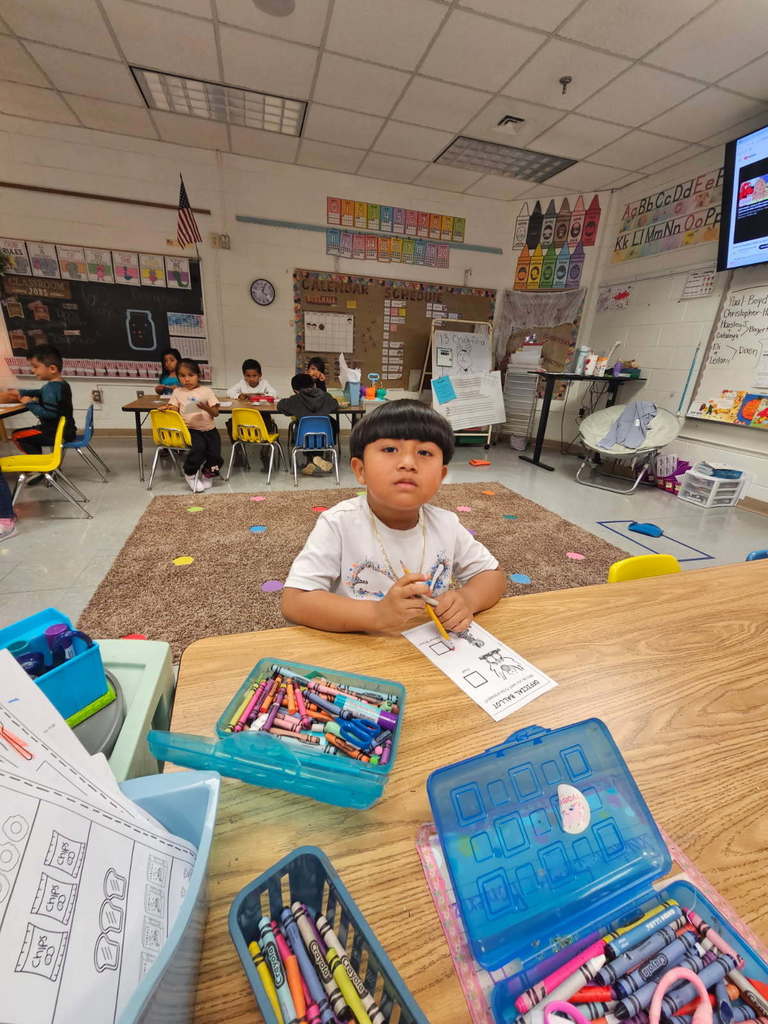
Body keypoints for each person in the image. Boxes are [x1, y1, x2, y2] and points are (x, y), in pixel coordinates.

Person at [281, 399, 506, 634]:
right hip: (358, 647)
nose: (408, 463)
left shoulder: (446, 524)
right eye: (390, 450)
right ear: (361, 470)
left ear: (441, 476)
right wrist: (376, 614)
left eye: (424, 452)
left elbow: (492, 576)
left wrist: (468, 599)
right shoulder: (338, 523)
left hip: (430, 649)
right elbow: (295, 601)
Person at [162, 358, 222, 492]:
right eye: (182, 376)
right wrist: (167, 408)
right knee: (198, 450)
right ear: (178, 377)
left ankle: (208, 474)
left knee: (215, 455)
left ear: (198, 376)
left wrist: (206, 408)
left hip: (210, 429)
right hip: (191, 429)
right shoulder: (178, 392)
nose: (186, 379)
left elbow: (216, 413)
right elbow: (173, 408)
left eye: (190, 375)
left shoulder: (207, 391)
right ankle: (190, 473)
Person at [9, 345, 76, 454]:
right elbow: (40, 392)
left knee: (17, 435)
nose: (32, 370)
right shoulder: (61, 384)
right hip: (66, 431)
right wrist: (23, 392)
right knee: (25, 434)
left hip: (54, 433)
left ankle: (40, 466)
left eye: (35, 367)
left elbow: (49, 414)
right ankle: (41, 464)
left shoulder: (51, 389)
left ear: (52, 369)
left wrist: (30, 403)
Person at [277, 372, 339, 476]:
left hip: (302, 440)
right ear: (314, 385)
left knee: (301, 428)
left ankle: (312, 460)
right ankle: (315, 459)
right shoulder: (325, 396)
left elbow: (280, 406)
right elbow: (335, 404)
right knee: (327, 424)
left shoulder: (295, 399)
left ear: (295, 391)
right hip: (325, 439)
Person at [225, 359, 277, 471]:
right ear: (244, 376)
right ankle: (238, 453)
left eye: (254, 375)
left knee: (268, 422)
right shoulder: (242, 383)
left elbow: (274, 394)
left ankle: (265, 453)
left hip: (261, 416)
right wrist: (239, 396)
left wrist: (261, 395)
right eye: (248, 376)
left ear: (260, 375)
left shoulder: (264, 383)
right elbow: (229, 392)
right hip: (244, 419)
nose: (251, 378)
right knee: (231, 423)